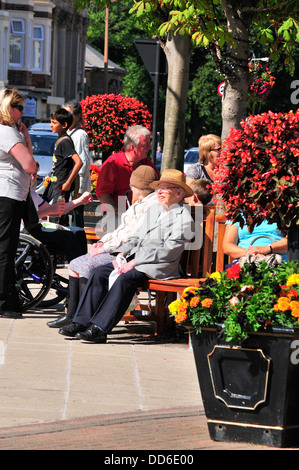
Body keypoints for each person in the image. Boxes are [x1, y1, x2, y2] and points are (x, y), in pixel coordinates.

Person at [59, 169, 194, 343]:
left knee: (126, 277)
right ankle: (81, 321)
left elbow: (166, 252)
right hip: (137, 260)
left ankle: (100, 328)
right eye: (159, 187)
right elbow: (135, 237)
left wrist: (134, 262)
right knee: (99, 272)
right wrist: (121, 254)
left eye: (165, 188)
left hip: (158, 265)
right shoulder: (155, 211)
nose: (159, 192)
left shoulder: (184, 219)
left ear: (178, 192)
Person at [47, 165, 159, 328]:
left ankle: (84, 317)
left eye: (132, 187)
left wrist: (104, 248)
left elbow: (130, 237)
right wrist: (102, 242)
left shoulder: (150, 206)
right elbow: (121, 229)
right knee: (74, 265)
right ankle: (72, 315)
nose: (131, 189)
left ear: (141, 188)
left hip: (124, 253)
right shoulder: (140, 203)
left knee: (87, 265)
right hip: (116, 248)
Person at [0, 88, 36, 317]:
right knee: (5, 249)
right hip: (9, 196)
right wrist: (26, 139)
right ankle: (5, 303)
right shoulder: (8, 133)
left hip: (8, 194)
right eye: (19, 108)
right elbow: (30, 165)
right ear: (8, 107)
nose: (22, 113)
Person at [95, 125, 159, 226]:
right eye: (145, 145)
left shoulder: (147, 164)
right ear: (132, 148)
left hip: (141, 216)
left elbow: (157, 188)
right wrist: (123, 214)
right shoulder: (113, 163)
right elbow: (102, 194)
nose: (149, 147)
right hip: (116, 216)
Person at [43, 108, 83, 226]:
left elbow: (79, 162)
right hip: (55, 183)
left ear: (64, 125)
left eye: (54, 123)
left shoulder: (65, 142)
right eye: (51, 122)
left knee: (58, 215)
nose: (51, 125)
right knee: (47, 208)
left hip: (61, 185)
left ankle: (60, 238)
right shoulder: (60, 139)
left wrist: (68, 183)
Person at [64, 100, 91, 228]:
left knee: (76, 219)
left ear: (77, 116)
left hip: (75, 184)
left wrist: (79, 190)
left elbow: (83, 163)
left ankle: (77, 246)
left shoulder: (80, 135)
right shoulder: (67, 133)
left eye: (68, 113)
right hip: (68, 182)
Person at [223, 218, 287, 262]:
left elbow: (293, 241)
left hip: (278, 261)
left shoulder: (284, 212)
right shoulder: (238, 214)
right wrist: (252, 253)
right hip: (246, 261)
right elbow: (227, 246)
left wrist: (264, 249)